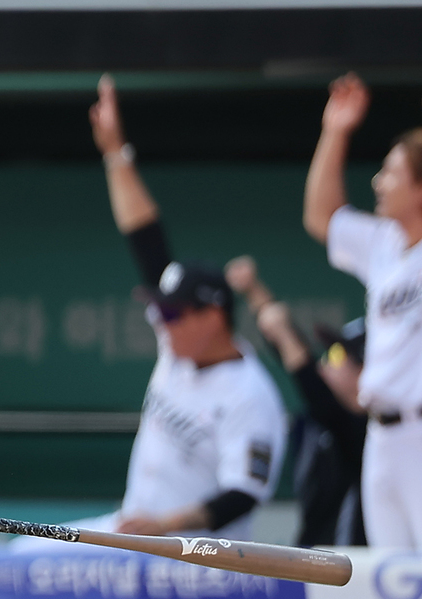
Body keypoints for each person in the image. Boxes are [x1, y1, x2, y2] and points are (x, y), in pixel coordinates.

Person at [86, 75, 287, 540]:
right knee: (21, 557)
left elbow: (243, 495)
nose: (163, 322)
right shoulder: (178, 346)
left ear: (213, 316)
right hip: (134, 538)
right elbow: (147, 244)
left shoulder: (251, 395)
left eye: (174, 314)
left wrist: (165, 527)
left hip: (198, 560)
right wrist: (116, 153)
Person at [304, 72, 422, 548]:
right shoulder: (385, 242)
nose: (378, 181)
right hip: (383, 435)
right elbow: (321, 217)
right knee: (393, 586)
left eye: (392, 172)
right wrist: (336, 131)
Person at [225, 256, 368, 546]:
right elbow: (290, 351)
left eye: (341, 356)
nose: (329, 362)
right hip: (316, 554)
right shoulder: (330, 407)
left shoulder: (370, 428)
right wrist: (255, 292)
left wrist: (278, 326)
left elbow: (307, 377)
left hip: (353, 566)